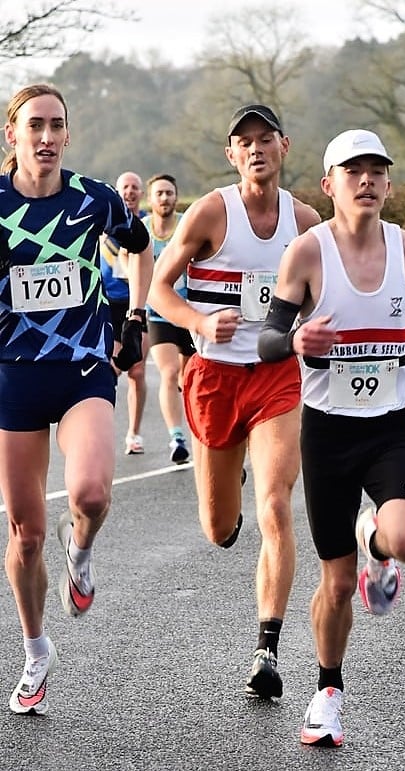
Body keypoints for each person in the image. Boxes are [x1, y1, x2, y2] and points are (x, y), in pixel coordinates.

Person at [258, 128, 405, 745]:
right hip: (326, 435)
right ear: (329, 184)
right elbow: (267, 340)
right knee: (338, 584)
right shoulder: (306, 253)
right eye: (354, 171)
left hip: (388, 431)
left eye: (377, 170)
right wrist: (295, 340)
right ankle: (328, 694)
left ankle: (374, 541)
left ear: (389, 183)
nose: (367, 180)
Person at [148, 104, 320, 698]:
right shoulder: (210, 213)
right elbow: (159, 290)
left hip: (276, 378)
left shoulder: (305, 222)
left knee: (276, 505)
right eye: (244, 142)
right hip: (216, 378)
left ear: (283, 146)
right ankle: (231, 495)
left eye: (265, 139)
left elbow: (326, 297)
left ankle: (266, 649)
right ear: (231, 155)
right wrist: (199, 321)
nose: (255, 149)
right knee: (218, 528)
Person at [0, 83, 153, 715]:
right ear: (12, 133)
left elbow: (141, 248)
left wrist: (136, 315)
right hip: (14, 377)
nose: (46, 137)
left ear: (68, 134)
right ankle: (36, 650)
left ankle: (82, 552)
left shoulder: (94, 198)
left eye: (56, 125)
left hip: (83, 368)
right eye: (34, 125)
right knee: (25, 535)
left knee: (90, 494)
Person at [142, 173, 195, 463]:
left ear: (176, 196)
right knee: (169, 372)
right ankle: (177, 437)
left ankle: (201, 432)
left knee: (190, 379)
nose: (164, 198)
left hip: (189, 312)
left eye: (169, 193)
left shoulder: (188, 224)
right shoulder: (142, 230)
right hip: (158, 313)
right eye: (159, 193)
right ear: (150, 199)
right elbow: (127, 260)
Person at [100, 170, 150, 455]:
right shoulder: (103, 224)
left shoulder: (145, 226)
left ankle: (134, 432)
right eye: (124, 188)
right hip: (108, 304)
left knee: (138, 370)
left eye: (134, 187)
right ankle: (99, 429)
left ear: (140, 193)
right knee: (112, 368)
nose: (129, 192)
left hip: (137, 303)